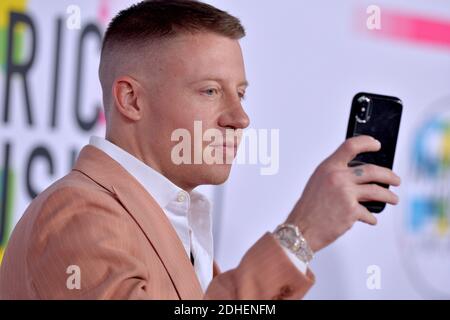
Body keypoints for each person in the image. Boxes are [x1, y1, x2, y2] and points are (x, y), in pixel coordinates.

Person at [0, 0, 400, 299]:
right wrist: (301, 235)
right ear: (131, 100)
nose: (240, 117)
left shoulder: (171, 221)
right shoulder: (76, 212)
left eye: (241, 93)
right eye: (210, 91)